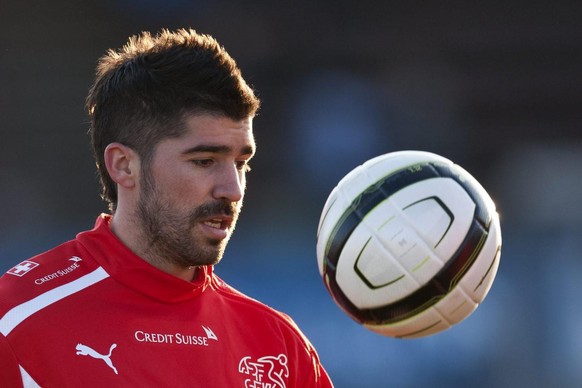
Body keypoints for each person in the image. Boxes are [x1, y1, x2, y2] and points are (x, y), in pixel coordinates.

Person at [0, 28, 333, 387]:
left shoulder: (278, 345)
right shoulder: (16, 321)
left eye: (241, 164)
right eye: (205, 161)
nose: (233, 189)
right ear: (124, 166)